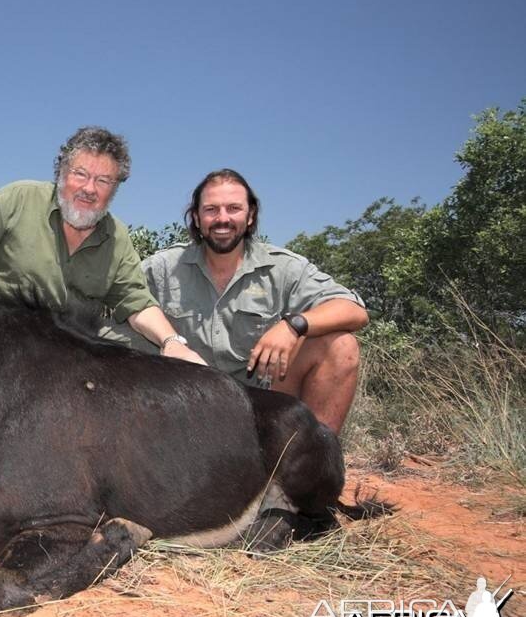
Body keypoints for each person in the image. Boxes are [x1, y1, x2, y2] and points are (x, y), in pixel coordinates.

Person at [0, 126, 204, 365]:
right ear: (61, 172)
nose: (89, 188)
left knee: (148, 348)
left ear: (115, 188)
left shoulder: (117, 236)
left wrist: (171, 342)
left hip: (67, 349)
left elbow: (137, 304)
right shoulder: (19, 198)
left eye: (103, 180)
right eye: (80, 174)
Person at [141, 168, 368, 433]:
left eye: (234, 208)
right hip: (183, 406)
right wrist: (169, 342)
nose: (222, 219)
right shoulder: (161, 268)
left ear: (250, 216)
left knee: (340, 346)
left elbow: (354, 310)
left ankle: (310, 466)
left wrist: (293, 325)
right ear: (196, 218)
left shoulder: (284, 268)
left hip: (260, 408)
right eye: (211, 209)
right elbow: (123, 298)